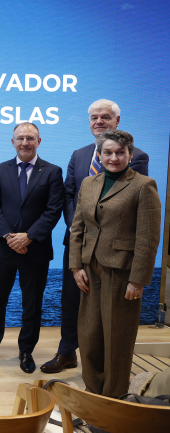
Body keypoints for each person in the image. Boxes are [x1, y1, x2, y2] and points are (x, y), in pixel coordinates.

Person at [42, 99, 149, 373]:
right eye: (94, 117)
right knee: (71, 300)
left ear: (117, 121)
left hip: (113, 249)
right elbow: (69, 193)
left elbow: (134, 206)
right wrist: (75, 227)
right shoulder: (79, 155)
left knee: (107, 308)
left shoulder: (136, 156)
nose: (99, 121)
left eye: (105, 117)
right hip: (78, 242)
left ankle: (104, 364)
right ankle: (67, 352)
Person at [70, 129, 160, 397]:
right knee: (89, 337)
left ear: (130, 155)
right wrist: (76, 266)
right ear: (99, 155)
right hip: (90, 269)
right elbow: (78, 227)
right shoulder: (89, 183)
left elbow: (148, 236)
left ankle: (113, 401)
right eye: (108, 152)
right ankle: (93, 395)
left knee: (116, 341)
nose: (114, 157)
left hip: (122, 273)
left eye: (120, 152)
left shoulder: (143, 185)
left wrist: (138, 279)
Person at [0, 123, 64, 373]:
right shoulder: (0, 170)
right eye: (20, 138)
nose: (25, 143)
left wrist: (29, 236)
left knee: (32, 304)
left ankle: (26, 350)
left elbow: (53, 210)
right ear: (13, 142)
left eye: (30, 138)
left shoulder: (52, 171)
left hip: (35, 250)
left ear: (38, 141)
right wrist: (10, 236)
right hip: (3, 248)